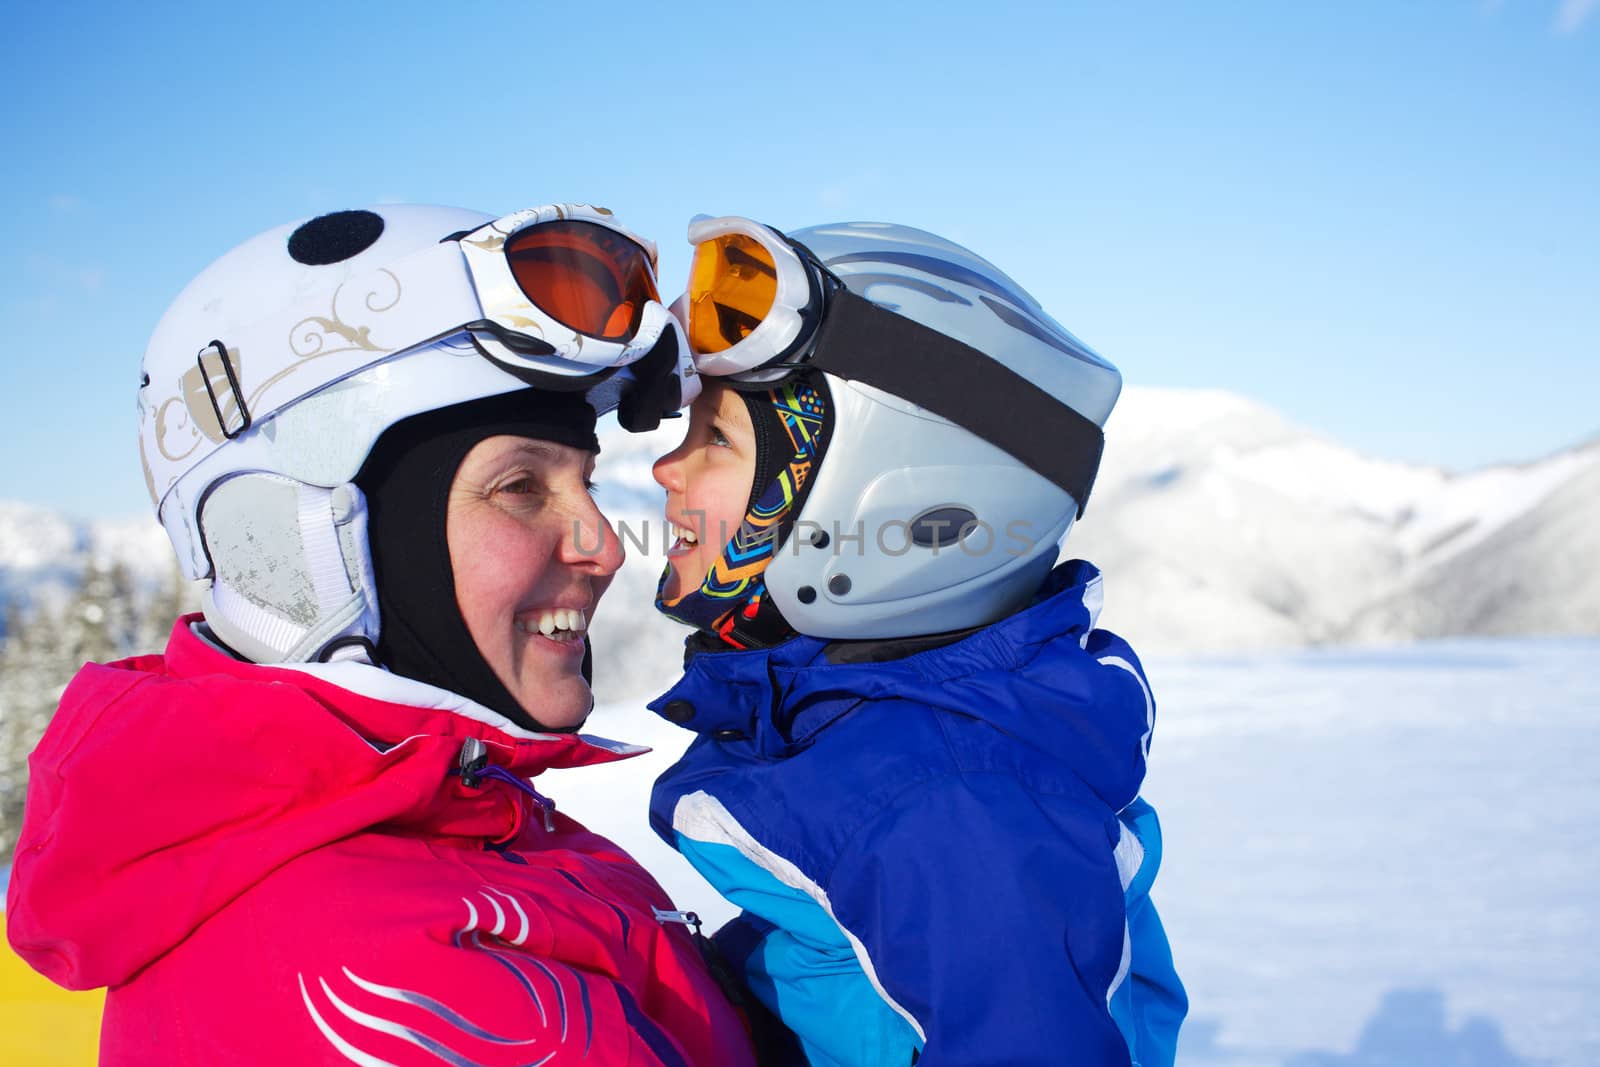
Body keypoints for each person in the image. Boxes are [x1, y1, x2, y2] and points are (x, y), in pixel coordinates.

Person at [5, 203, 753, 1066]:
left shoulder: (441, 813)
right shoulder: (377, 973)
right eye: (520, 487)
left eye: (584, 482)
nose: (606, 545)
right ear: (307, 537)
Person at [644, 216, 1188, 1065]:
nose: (665, 470)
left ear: (885, 499)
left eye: (716, 438)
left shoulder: (948, 802)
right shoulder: (855, 736)